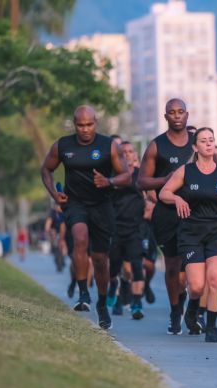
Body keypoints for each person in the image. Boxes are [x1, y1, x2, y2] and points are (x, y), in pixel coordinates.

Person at [40, 105, 130, 329]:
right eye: (80, 125)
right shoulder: (63, 145)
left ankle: (101, 303)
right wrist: (54, 194)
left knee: (100, 260)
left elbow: (127, 176)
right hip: (75, 203)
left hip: (102, 205)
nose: (85, 130)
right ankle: (82, 293)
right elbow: (46, 169)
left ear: (95, 124)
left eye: (89, 125)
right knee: (79, 238)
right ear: (74, 124)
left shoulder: (108, 145)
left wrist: (108, 182)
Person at [160, 127, 217, 342]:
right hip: (191, 233)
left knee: (215, 279)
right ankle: (192, 309)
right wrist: (177, 199)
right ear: (195, 147)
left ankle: (211, 327)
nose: (209, 144)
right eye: (203, 141)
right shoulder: (186, 171)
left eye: (211, 140)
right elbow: (163, 192)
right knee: (196, 287)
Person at [138, 98, 194, 335]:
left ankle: (193, 309)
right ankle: (174, 310)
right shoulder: (156, 146)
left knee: (192, 269)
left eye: (181, 112)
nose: (177, 116)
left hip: (196, 213)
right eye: (172, 112)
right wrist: (167, 180)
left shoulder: (197, 143)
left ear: (187, 115)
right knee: (172, 266)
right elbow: (141, 180)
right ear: (166, 117)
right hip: (167, 214)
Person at [107, 141, 147, 319]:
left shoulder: (141, 176)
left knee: (136, 267)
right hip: (115, 228)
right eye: (124, 152)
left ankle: (136, 303)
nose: (128, 154)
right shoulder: (113, 175)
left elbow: (152, 196)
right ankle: (114, 289)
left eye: (131, 151)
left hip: (135, 229)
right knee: (114, 266)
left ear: (134, 154)